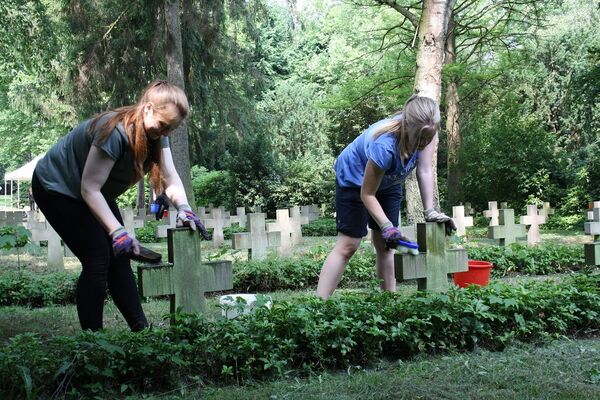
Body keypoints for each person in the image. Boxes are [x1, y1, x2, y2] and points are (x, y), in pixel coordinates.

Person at [32, 80, 209, 331]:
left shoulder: (157, 135)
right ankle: (94, 341)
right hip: (58, 187)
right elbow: (89, 189)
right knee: (97, 258)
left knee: (119, 258)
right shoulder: (114, 132)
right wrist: (118, 233)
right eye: (163, 125)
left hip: (93, 193)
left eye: (171, 128)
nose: (166, 133)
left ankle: (141, 330)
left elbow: (169, 176)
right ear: (147, 109)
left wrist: (185, 208)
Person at [316, 95, 456, 300]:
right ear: (407, 126)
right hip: (355, 180)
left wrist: (430, 211)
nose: (423, 143)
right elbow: (367, 193)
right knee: (349, 244)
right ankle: (318, 305)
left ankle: (388, 304)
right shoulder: (385, 145)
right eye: (419, 139)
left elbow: (425, 170)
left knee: (386, 245)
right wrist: (387, 226)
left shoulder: (428, 129)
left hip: (389, 180)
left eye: (428, 139)